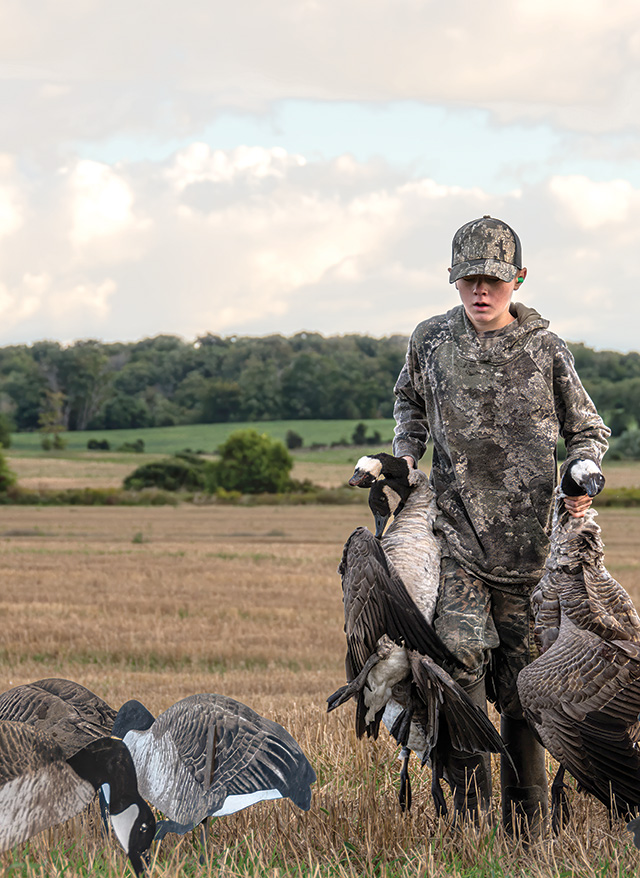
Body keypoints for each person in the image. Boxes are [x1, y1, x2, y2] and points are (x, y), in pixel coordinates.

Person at [391, 215, 610, 833]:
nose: (480, 292)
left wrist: (584, 467)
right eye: (468, 281)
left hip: (534, 554)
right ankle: (464, 819)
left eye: (492, 280)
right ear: (453, 280)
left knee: (524, 687)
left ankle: (528, 826)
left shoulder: (545, 349)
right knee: (455, 663)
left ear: (517, 278)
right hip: (456, 541)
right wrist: (407, 456)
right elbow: (409, 400)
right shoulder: (430, 341)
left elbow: (587, 427)